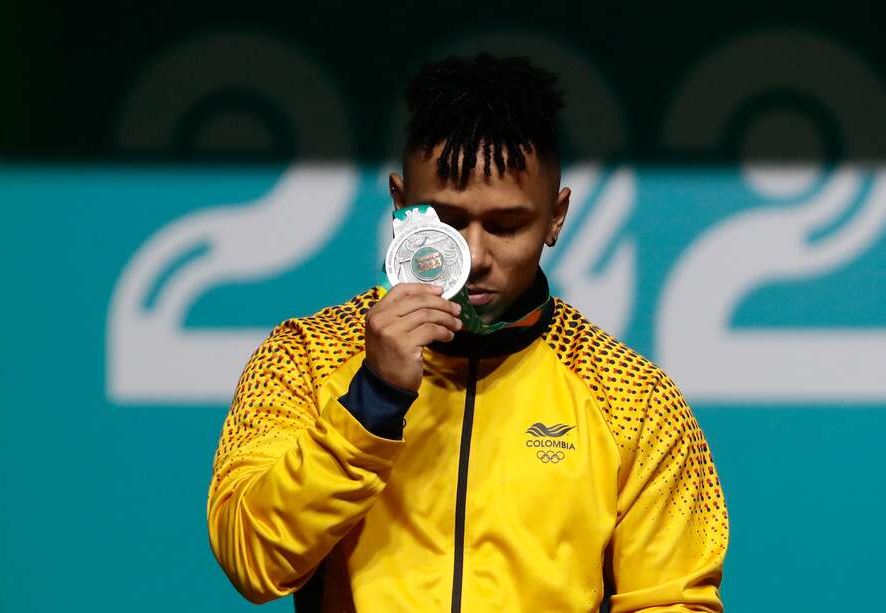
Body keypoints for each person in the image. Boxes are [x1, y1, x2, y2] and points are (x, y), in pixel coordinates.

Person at [207, 53, 729, 612]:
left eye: (507, 226)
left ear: (556, 217)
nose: (475, 256)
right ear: (401, 204)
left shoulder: (633, 396)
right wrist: (372, 400)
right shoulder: (305, 356)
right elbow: (252, 559)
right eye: (447, 222)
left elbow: (674, 602)